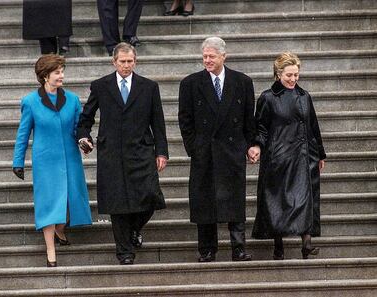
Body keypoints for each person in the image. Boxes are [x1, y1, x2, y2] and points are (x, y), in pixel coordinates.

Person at [76, 42, 169, 265]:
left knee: (150, 197)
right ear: (114, 62)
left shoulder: (149, 87)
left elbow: (158, 121)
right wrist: (84, 136)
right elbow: (86, 117)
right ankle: (125, 252)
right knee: (117, 204)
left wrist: (162, 152)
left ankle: (134, 228)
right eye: (122, 62)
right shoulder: (101, 86)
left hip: (142, 151)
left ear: (135, 61)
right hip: (112, 153)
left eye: (130, 61)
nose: (126, 66)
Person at [178, 37, 259, 262]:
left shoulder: (242, 82)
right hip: (205, 152)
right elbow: (185, 120)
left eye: (212, 56)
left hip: (232, 150)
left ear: (224, 56)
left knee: (235, 199)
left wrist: (251, 144)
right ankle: (207, 250)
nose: (207, 60)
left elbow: (248, 118)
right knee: (204, 201)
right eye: (204, 56)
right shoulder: (190, 84)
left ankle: (238, 248)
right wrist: (194, 148)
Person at [12, 54, 92, 267]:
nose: (62, 75)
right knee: (48, 203)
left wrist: (85, 141)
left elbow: (79, 129)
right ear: (45, 76)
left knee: (68, 200)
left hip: (70, 158)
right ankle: (50, 250)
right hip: (45, 161)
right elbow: (23, 134)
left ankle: (60, 229)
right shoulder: (30, 101)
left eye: (62, 71)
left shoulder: (73, 100)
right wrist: (17, 161)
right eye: (57, 72)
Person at [251, 52, 326, 260]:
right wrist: (257, 145)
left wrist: (320, 153)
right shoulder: (268, 97)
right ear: (278, 74)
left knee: (305, 198)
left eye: (296, 75)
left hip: (304, 155)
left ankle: (306, 243)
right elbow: (261, 127)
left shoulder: (304, 96)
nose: (293, 79)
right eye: (289, 75)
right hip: (279, 157)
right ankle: (278, 245)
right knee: (279, 200)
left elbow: (313, 126)